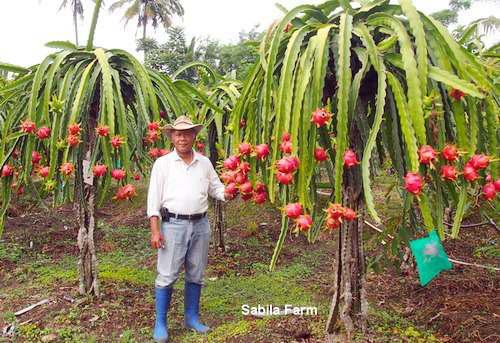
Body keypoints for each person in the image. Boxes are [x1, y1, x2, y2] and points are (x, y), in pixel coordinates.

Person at [146, 115, 231, 342]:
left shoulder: (204, 163)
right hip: (173, 224)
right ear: (172, 137)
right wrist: (156, 230)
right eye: (178, 134)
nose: (182, 138)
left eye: (187, 133)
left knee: (196, 272)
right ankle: (160, 324)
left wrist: (230, 191)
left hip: (201, 224)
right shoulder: (162, 164)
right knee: (167, 274)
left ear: (194, 136)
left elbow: (217, 188)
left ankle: (191, 317)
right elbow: (153, 201)